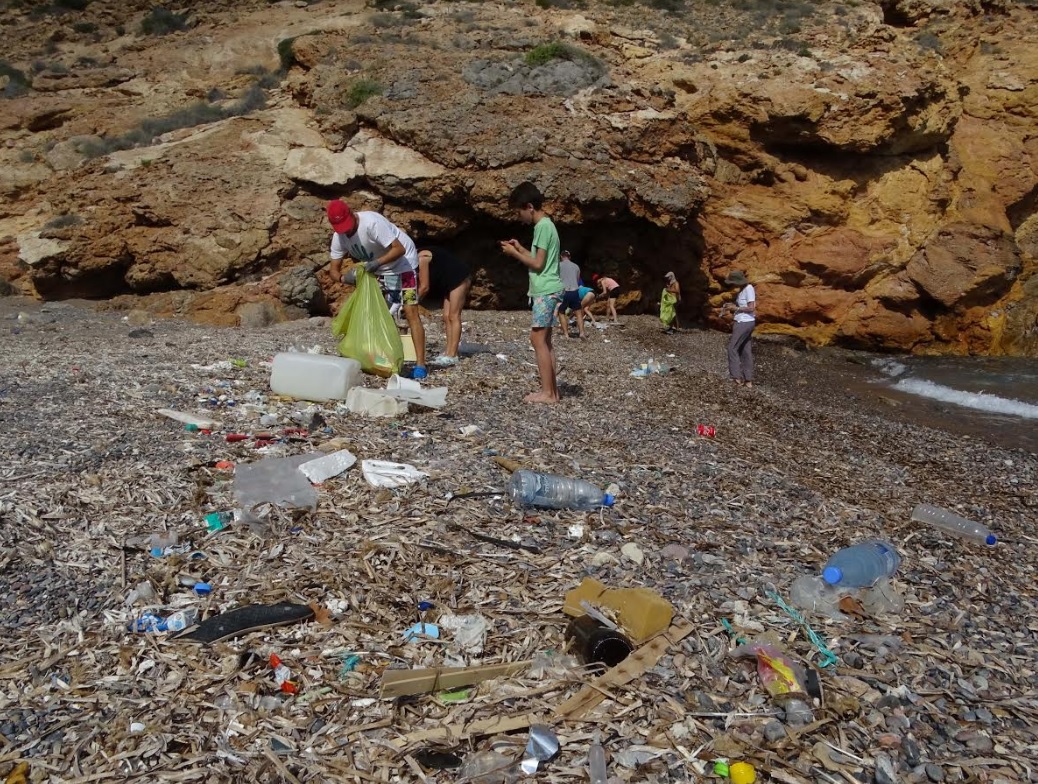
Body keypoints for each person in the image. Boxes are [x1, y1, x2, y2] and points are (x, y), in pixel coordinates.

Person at [326, 199, 427, 380]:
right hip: (376, 271)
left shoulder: (372, 223)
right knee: (373, 313)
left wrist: (376, 263)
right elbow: (333, 269)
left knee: (411, 312)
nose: (346, 231)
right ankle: (377, 357)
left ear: (351, 214)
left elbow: (399, 249)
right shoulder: (339, 236)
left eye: (347, 226)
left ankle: (420, 365)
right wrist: (343, 278)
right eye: (341, 228)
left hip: (403, 266)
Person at [499, 181, 563, 404]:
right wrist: (520, 249)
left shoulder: (542, 227)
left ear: (529, 207)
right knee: (545, 341)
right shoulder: (547, 225)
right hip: (551, 287)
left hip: (546, 290)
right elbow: (540, 260)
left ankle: (548, 393)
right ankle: (552, 391)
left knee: (537, 339)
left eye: (519, 213)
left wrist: (513, 254)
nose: (520, 218)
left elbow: (537, 265)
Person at [416, 246, 471, 366]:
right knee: (446, 316)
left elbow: (424, 287)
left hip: (459, 279)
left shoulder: (421, 258)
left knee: (454, 316)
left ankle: (453, 354)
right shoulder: (418, 256)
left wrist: (414, 301)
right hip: (448, 281)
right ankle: (448, 352)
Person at [721, 269, 756, 387]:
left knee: (732, 348)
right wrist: (732, 306)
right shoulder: (743, 290)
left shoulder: (749, 289)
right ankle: (748, 380)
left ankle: (736, 377)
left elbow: (751, 308)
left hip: (744, 322)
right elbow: (744, 306)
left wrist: (735, 309)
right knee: (745, 351)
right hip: (745, 322)